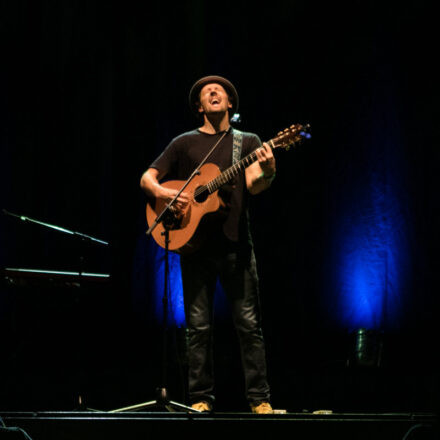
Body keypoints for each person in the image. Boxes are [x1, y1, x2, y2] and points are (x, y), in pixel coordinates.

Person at [140, 75, 276, 414]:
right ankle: (200, 399)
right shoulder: (184, 143)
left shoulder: (247, 141)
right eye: (206, 92)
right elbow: (147, 178)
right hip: (195, 248)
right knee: (197, 329)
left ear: (230, 104)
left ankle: (260, 400)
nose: (214, 92)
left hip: (236, 247)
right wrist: (164, 193)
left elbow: (254, 185)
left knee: (249, 326)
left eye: (221, 91)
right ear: (199, 107)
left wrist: (269, 170)